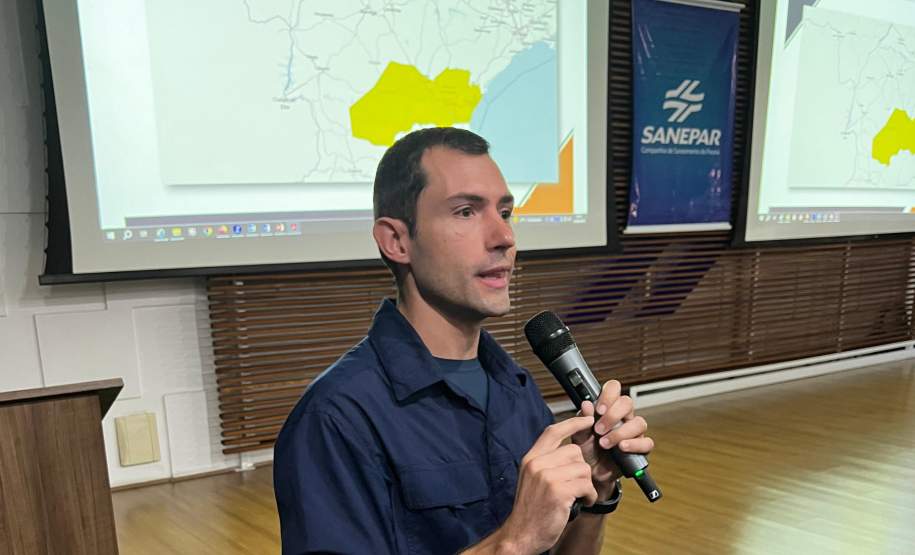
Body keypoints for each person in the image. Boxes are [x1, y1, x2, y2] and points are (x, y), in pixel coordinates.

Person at [273, 127, 655, 554]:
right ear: (396, 240)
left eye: (505, 213)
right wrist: (512, 542)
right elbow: (519, 544)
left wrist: (597, 491)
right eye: (465, 212)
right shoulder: (336, 417)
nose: (504, 238)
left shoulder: (516, 388)